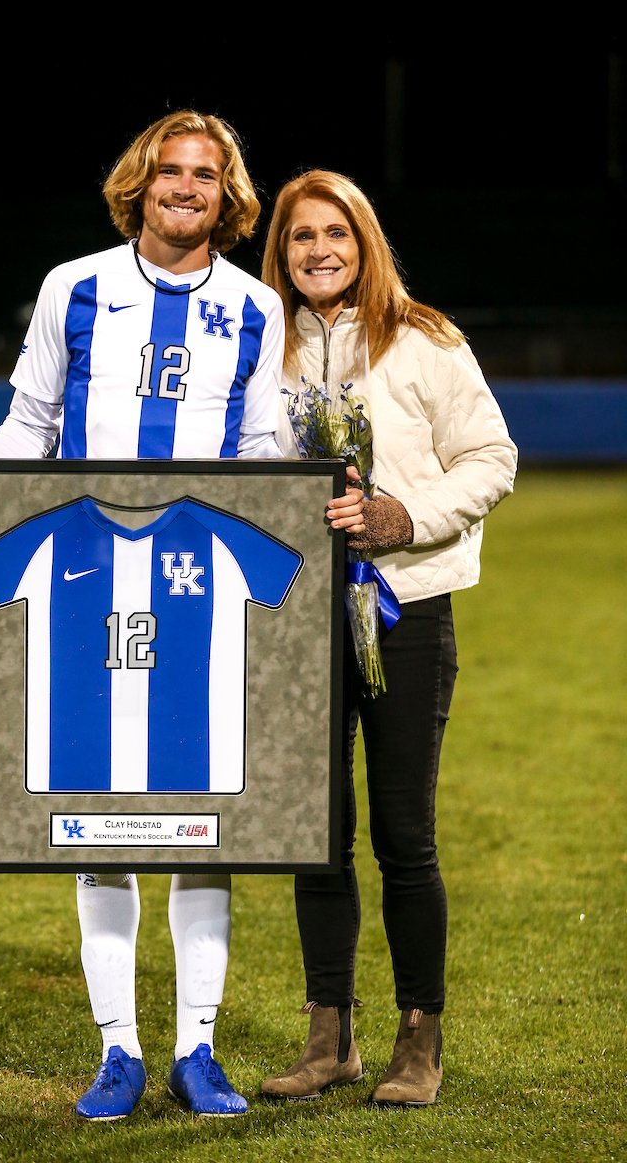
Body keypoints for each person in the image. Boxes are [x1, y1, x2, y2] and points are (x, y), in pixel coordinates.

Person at [0, 110, 291, 1121]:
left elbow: (263, 452)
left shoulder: (255, 306)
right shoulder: (71, 287)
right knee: (97, 825)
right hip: (85, 574)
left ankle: (197, 1050)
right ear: (139, 183)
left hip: (199, 586)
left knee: (205, 827)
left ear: (226, 196)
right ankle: (118, 1051)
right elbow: (29, 424)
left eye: (205, 175)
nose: (185, 188)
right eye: (170, 171)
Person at [258, 170, 517, 1107]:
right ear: (281, 252)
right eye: (301, 236)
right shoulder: (265, 346)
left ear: (365, 243)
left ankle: (419, 1038)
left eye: (337, 233)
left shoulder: (424, 339)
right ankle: (330, 1037)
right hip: (297, 618)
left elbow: (492, 458)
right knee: (315, 835)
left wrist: (405, 518)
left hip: (406, 611)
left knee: (404, 836)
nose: (319, 250)